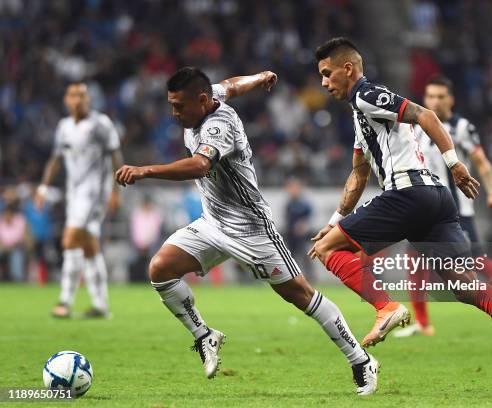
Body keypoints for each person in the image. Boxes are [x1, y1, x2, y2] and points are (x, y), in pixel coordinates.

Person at [115, 67, 379, 396]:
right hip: (213, 223)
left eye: (179, 106)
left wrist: (144, 170)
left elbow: (200, 165)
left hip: (251, 229)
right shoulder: (207, 97)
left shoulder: (219, 124)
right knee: (161, 270)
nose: (174, 113)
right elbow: (229, 86)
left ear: (200, 101)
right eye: (171, 105)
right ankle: (203, 335)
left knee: (301, 296)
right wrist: (260, 78)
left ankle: (360, 359)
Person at [309, 37, 492, 386]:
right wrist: (335, 220)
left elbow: (425, 114)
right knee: (465, 286)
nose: (323, 82)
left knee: (327, 250)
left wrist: (454, 163)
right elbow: (359, 173)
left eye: (327, 73)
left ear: (347, 69)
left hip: (408, 193)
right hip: (437, 200)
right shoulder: (360, 113)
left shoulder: (367, 95)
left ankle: (386, 307)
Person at [394, 75, 492, 338]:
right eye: (430, 96)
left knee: (477, 262)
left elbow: (480, 160)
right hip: (426, 210)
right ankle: (423, 323)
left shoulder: (460, 127)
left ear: (451, 99)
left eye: (440, 96)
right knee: (414, 259)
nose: (434, 101)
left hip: (456, 211)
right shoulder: (417, 126)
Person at [35, 82, 123, 318]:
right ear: (66, 100)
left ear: (89, 100)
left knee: (70, 238)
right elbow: (55, 159)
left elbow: (116, 155)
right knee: (88, 245)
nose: (78, 100)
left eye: (82, 96)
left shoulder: (100, 124)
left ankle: (65, 300)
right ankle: (101, 305)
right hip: (74, 193)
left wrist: (117, 190)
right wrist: (43, 187)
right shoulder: (64, 127)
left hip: (95, 191)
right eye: (73, 96)